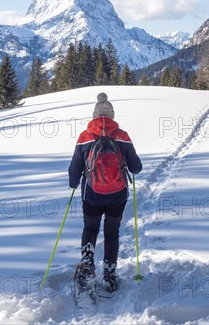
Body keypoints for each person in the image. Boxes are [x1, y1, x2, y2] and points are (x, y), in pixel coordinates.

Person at [68, 92, 142, 293]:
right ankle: (109, 274)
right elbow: (136, 168)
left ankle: (87, 264)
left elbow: (74, 169)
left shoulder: (85, 137)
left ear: (94, 116)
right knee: (111, 232)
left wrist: (74, 183)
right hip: (117, 195)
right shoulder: (122, 136)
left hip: (91, 194)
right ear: (112, 116)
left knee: (90, 228)